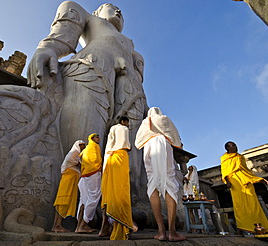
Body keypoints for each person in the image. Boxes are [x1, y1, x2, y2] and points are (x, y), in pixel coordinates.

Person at [27, 2, 147, 155]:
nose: (118, 11)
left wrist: (147, 109)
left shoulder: (134, 51)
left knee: (130, 151)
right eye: (111, 6)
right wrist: (47, 48)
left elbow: (139, 81)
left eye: (121, 12)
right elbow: (64, 35)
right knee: (85, 139)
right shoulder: (88, 17)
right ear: (97, 12)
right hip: (93, 69)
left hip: (131, 90)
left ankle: (122, 178)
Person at [135, 107, 186, 242]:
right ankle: (172, 232)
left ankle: (161, 231)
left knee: (152, 183)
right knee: (170, 181)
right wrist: (177, 144)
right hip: (163, 145)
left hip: (148, 147)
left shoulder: (145, 122)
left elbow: (137, 142)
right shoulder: (164, 119)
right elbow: (176, 138)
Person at [221, 141, 268, 234]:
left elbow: (246, 170)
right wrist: (227, 181)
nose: (235, 147)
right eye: (233, 146)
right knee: (239, 205)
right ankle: (242, 226)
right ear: (228, 148)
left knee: (254, 204)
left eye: (235, 145)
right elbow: (224, 171)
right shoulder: (225, 158)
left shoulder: (240, 157)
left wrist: (258, 179)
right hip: (235, 182)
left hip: (246, 180)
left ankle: (260, 226)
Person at [99, 116, 133, 240]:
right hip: (121, 157)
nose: (128, 125)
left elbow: (109, 147)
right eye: (127, 122)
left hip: (111, 159)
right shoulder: (123, 129)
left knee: (111, 192)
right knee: (121, 191)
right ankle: (121, 224)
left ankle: (105, 227)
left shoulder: (113, 129)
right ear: (123, 122)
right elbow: (125, 144)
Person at [52, 140, 86, 232]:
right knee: (62, 201)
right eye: (81, 145)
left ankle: (57, 225)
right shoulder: (73, 154)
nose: (83, 147)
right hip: (67, 182)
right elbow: (70, 160)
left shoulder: (78, 157)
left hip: (72, 183)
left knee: (64, 202)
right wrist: (80, 163)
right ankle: (57, 225)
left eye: (84, 145)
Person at [75, 133, 102, 233]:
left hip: (84, 177)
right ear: (92, 138)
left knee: (83, 200)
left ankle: (78, 226)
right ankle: (84, 223)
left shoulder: (86, 149)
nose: (99, 138)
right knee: (94, 197)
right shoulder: (94, 146)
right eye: (97, 137)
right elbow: (94, 161)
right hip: (92, 174)